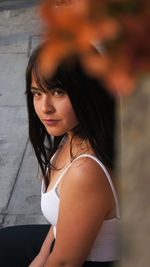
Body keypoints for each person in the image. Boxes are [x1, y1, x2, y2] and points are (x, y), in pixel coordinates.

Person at [0, 44, 120, 267]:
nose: (44, 107)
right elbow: (60, 221)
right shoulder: (73, 134)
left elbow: (64, 262)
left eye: (57, 92)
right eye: (37, 93)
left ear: (87, 91)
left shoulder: (85, 172)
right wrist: (39, 258)